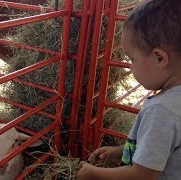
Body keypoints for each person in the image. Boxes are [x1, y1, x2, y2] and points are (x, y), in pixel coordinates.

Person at [77, 0, 181, 179]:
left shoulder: (161, 112)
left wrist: (93, 173)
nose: (130, 67)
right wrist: (121, 151)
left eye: (132, 59)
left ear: (159, 58)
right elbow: (161, 148)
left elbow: (142, 174)